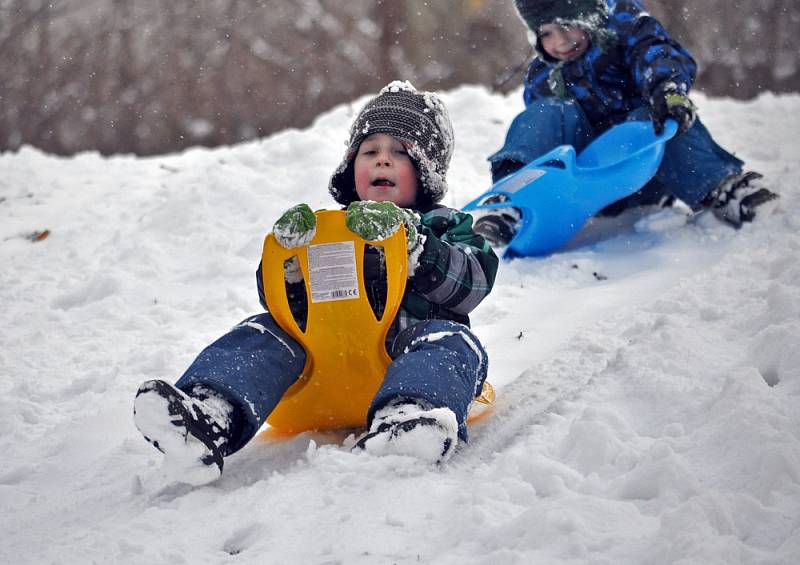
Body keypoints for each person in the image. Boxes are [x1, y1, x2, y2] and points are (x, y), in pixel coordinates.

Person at [132, 81, 499, 484]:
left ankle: (411, 416)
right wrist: (290, 262)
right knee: (264, 331)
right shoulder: (331, 229)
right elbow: (282, 305)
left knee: (449, 340)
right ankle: (209, 415)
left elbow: (474, 283)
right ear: (350, 165)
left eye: (401, 153)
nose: (383, 162)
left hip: (401, 362)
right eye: (370, 151)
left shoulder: (443, 226)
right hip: (322, 375)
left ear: (426, 172)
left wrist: (418, 246)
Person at [473, 0, 779, 247]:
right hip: (585, 182)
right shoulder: (543, 74)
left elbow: (655, 51)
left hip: (649, 166)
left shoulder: (623, 24)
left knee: (654, 119)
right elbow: (543, 133)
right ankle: (511, 199)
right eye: (547, 33)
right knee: (545, 112)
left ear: (587, 14)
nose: (561, 41)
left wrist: (667, 90)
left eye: (569, 25)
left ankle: (721, 186)